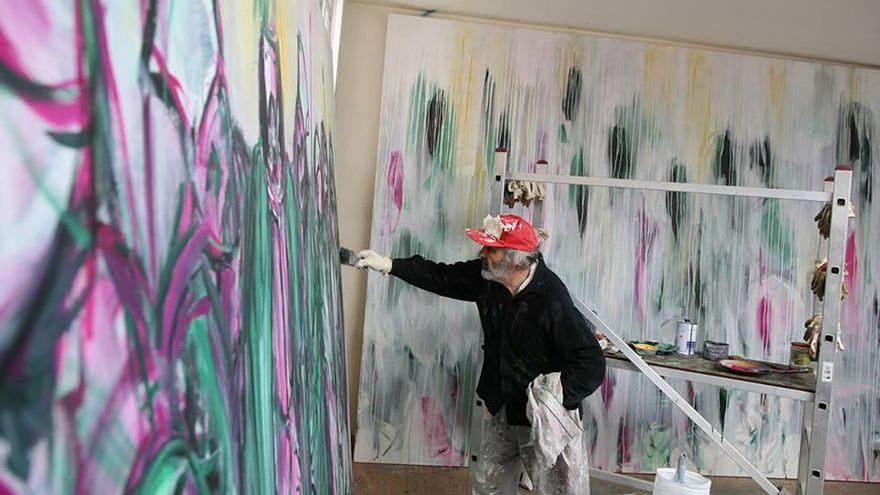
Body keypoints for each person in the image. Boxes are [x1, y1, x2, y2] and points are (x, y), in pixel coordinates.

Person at [357, 213, 606, 494]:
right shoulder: (489, 278)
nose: (482, 253)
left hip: (544, 422)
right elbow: (442, 276)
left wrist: (553, 399)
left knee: (556, 490)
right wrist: (389, 265)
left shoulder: (551, 299)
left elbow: (591, 362)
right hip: (505, 409)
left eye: (491, 249)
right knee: (488, 486)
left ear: (515, 260)